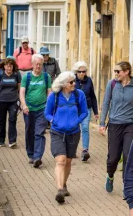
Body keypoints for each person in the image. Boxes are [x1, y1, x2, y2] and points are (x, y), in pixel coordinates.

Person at [99, 61, 133, 193]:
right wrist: (102, 123)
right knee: (113, 157)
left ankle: (128, 185)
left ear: (126, 72)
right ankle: (110, 175)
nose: (115, 74)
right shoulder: (112, 84)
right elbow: (106, 103)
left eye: (118, 71)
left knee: (128, 155)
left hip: (130, 124)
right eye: (115, 71)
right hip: (114, 124)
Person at [44, 71, 88, 204]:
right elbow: (47, 113)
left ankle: (64, 184)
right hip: (57, 132)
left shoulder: (79, 95)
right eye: (71, 82)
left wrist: (77, 121)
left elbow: (84, 112)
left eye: (74, 81)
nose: (74, 84)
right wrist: (54, 121)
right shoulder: (54, 96)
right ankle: (59, 190)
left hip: (73, 132)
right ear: (64, 84)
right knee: (61, 161)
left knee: (68, 161)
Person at [20, 54, 52, 168]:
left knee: (39, 132)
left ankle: (38, 157)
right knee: (29, 131)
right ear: (32, 64)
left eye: (40, 64)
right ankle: (31, 154)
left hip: (42, 109)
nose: (38, 66)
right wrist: (23, 105)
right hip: (29, 109)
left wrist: (50, 107)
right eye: (36, 64)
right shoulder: (27, 77)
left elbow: (49, 93)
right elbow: (22, 92)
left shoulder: (46, 77)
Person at [0, 57, 21, 147]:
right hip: (1, 101)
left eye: (11, 66)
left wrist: (20, 100)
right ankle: (1, 140)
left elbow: (19, 88)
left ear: (13, 66)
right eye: (7, 66)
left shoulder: (16, 74)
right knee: (1, 120)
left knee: (12, 120)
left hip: (13, 101)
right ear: (4, 67)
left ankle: (12, 141)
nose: (9, 68)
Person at [73, 61, 98, 161]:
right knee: (74, 129)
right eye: (80, 72)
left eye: (84, 71)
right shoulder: (72, 81)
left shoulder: (89, 81)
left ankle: (85, 150)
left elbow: (93, 96)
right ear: (76, 72)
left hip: (86, 108)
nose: (82, 73)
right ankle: (72, 149)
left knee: (85, 128)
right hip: (74, 109)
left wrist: (96, 112)